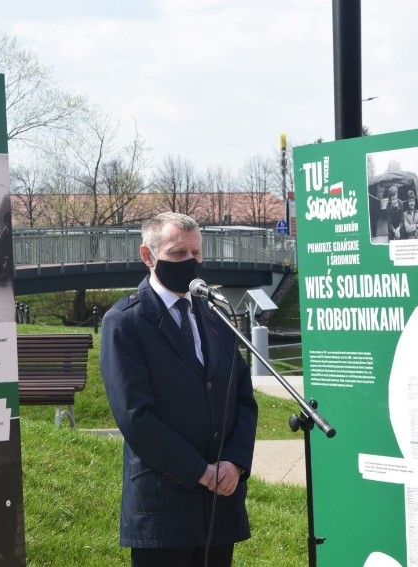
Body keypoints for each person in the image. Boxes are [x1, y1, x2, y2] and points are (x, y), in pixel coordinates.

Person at [100, 212, 258, 567]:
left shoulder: (215, 315)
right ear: (148, 256)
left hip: (220, 507)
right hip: (164, 511)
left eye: (196, 254)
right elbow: (135, 416)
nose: (190, 262)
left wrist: (234, 462)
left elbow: (244, 400)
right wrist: (201, 472)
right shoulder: (125, 322)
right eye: (177, 253)